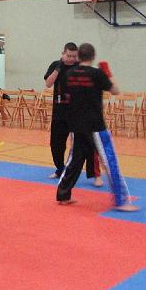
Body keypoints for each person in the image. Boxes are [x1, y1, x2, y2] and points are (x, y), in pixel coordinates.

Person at [56, 43, 138, 212]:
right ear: (93, 56)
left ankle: (63, 195)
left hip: (76, 125)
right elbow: (115, 91)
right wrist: (108, 72)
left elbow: (66, 96)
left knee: (74, 160)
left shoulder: (69, 74)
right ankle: (121, 201)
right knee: (109, 161)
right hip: (95, 125)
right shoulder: (97, 73)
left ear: (78, 56)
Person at [44, 43, 102, 186]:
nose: (71, 59)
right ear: (63, 53)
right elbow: (48, 84)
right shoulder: (56, 65)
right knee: (56, 144)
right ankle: (60, 169)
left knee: (88, 145)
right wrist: (58, 69)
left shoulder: (80, 68)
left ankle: (95, 175)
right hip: (59, 113)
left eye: (74, 56)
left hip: (78, 114)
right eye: (68, 55)